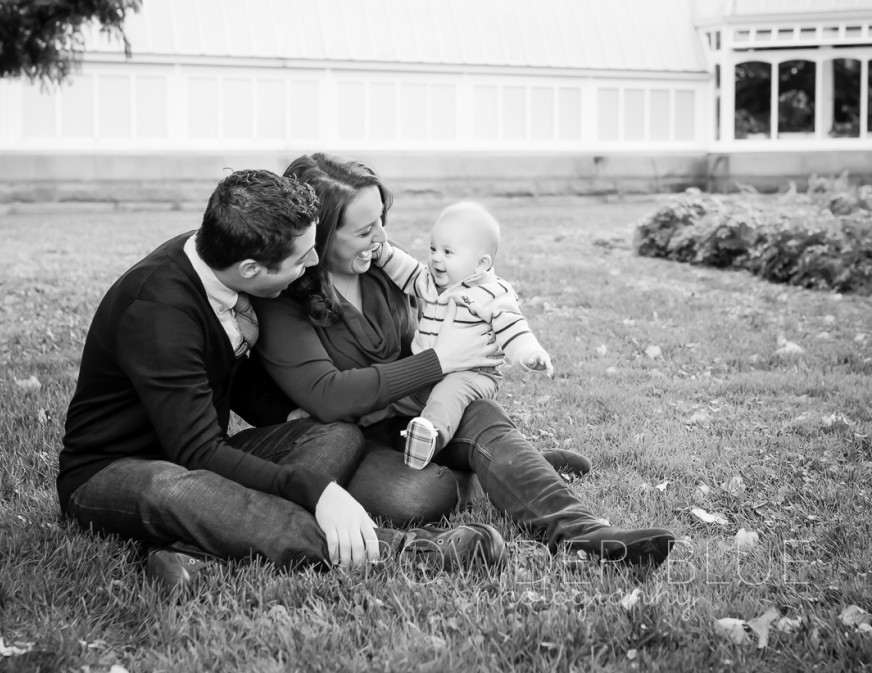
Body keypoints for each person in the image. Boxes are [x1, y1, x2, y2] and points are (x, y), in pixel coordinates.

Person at [57, 169, 506, 589]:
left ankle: (196, 546)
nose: (314, 261)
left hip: (197, 452)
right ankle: (408, 551)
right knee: (173, 487)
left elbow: (232, 379)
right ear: (252, 270)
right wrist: (319, 491)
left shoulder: (217, 257)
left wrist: (292, 418)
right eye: (301, 258)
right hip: (115, 468)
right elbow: (195, 453)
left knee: (334, 434)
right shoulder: (159, 312)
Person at [253, 153, 676, 567]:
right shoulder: (283, 294)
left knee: (482, 411)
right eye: (365, 231)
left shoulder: (381, 263)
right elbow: (327, 396)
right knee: (421, 497)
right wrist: (441, 360)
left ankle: (583, 532)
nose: (381, 237)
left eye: (382, 220)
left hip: (418, 413)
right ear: (320, 235)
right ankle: (511, 466)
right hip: (349, 439)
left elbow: (459, 295)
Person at [371, 200, 554, 469]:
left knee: (448, 395)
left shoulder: (493, 294)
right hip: (428, 370)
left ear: (481, 264)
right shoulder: (432, 282)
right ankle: (353, 417)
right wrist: (383, 253)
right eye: (433, 248)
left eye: (447, 252)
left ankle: (429, 437)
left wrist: (529, 353)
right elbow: (406, 268)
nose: (435, 258)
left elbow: (513, 327)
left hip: (471, 374)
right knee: (392, 394)